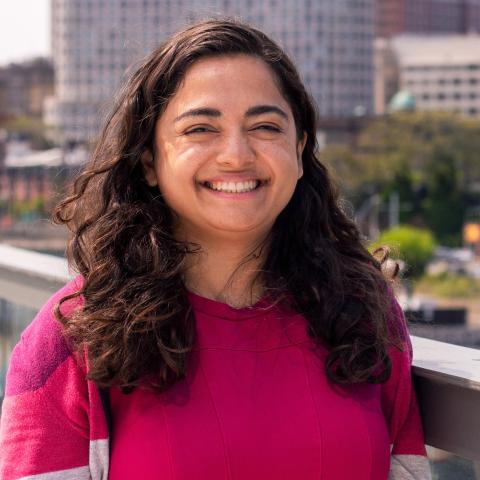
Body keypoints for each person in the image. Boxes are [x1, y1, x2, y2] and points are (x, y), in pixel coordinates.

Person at [0, 19, 431, 480]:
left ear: (301, 149)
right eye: (200, 129)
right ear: (148, 160)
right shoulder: (71, 339)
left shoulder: (362, 312)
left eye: (265, 126)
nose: (236, 155)